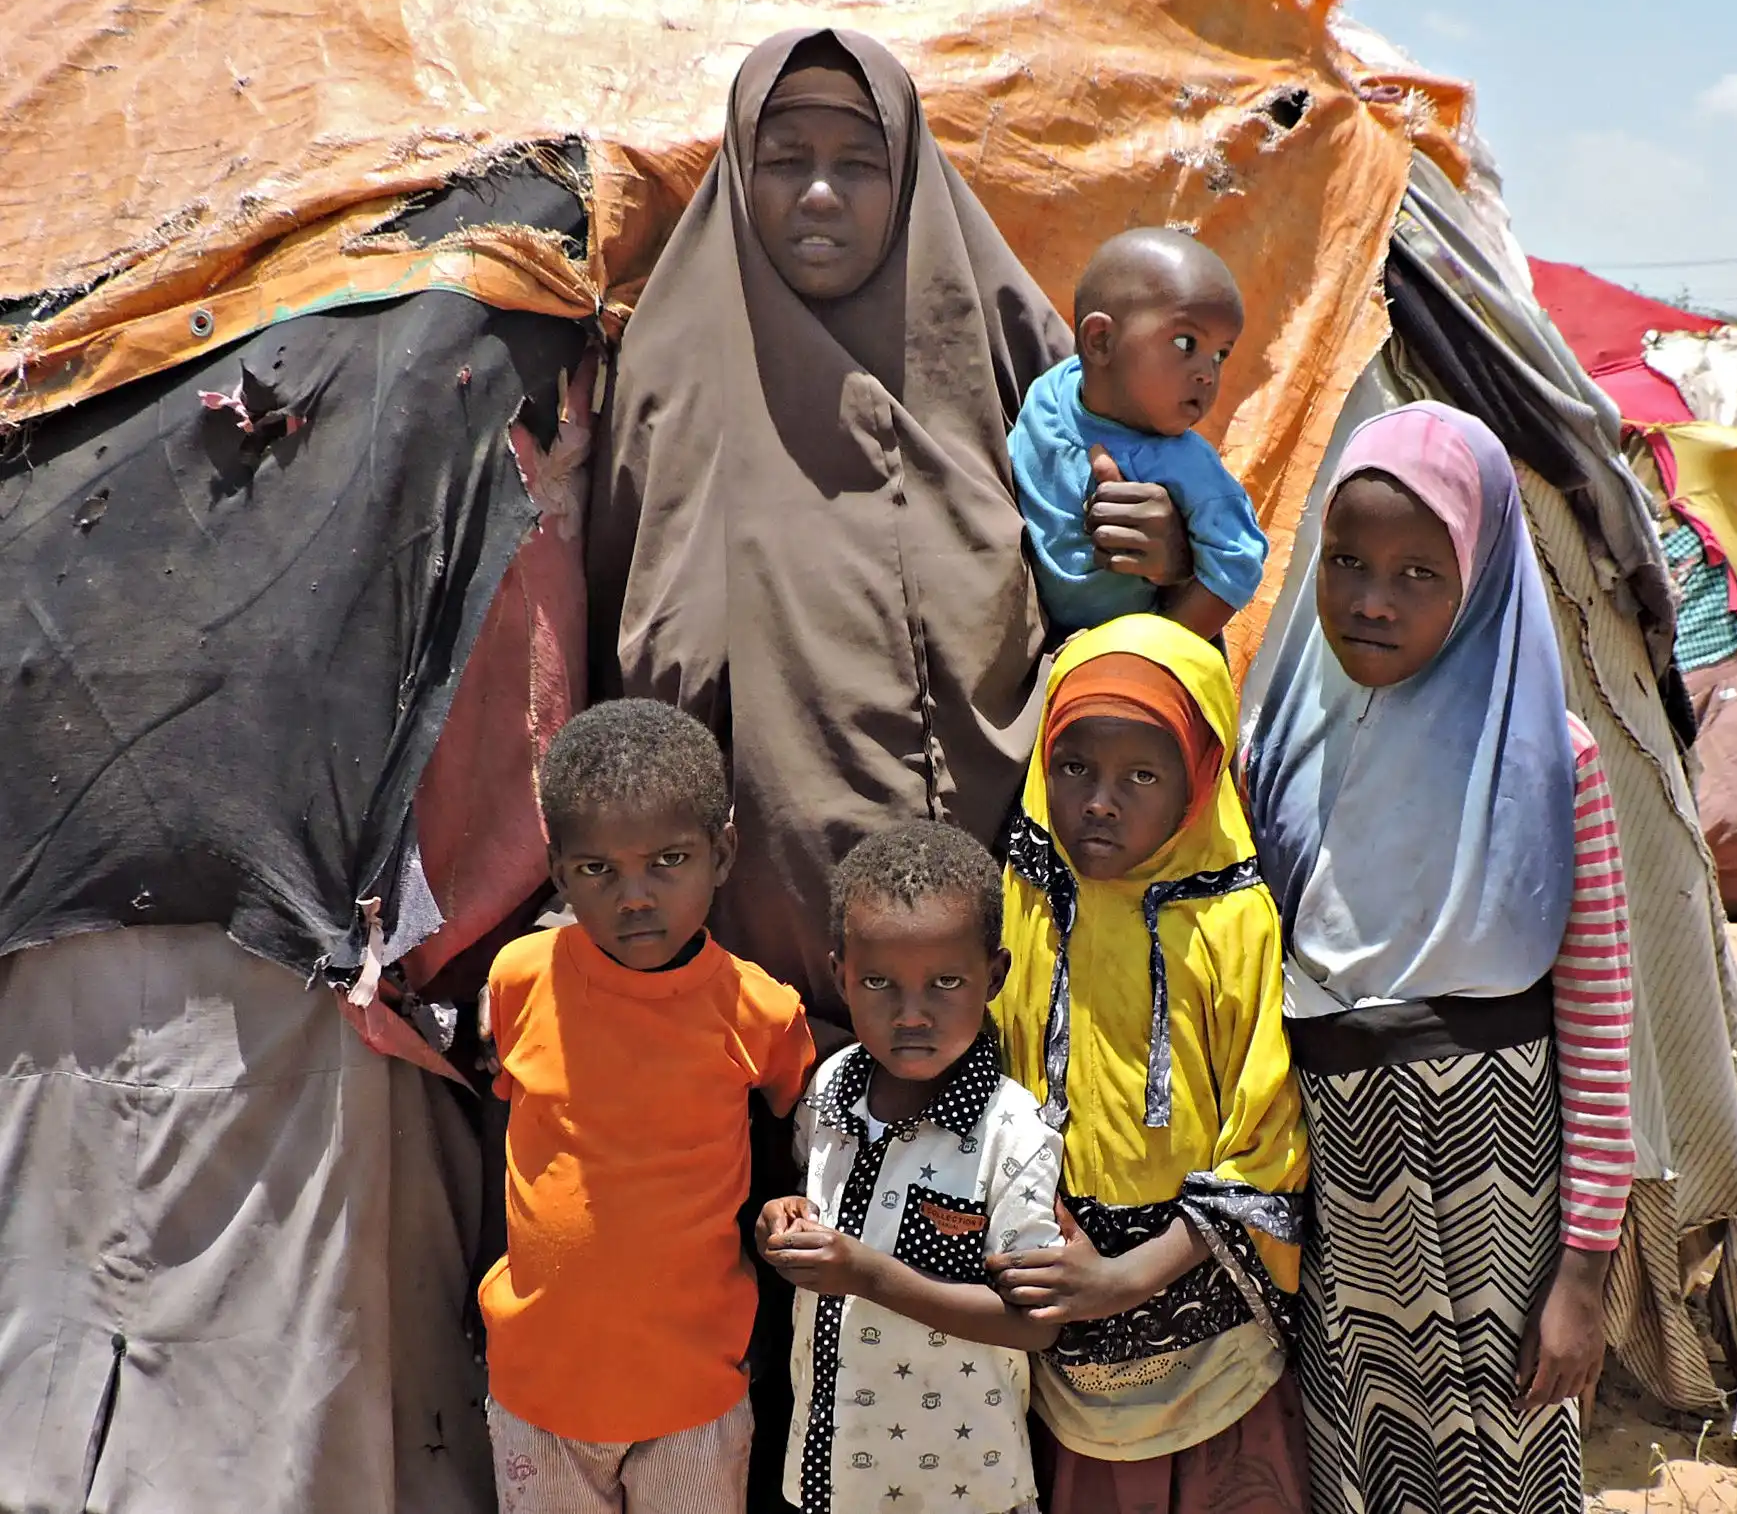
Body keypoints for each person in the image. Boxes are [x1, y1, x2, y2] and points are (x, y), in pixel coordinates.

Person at [588, 27, 1194, 1024]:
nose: (819, 196)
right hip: (754, 999)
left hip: (1012, 961)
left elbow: (1128, 590)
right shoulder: (673, 367)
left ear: (906, 177)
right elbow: (620, 642)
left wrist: (1163, 551)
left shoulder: (1008, 358)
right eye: (785, 162)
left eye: (858, 167)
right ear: (743, 171)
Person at [1244, 402, 1637, 1514]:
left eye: (1421, 572)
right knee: (1352, 1464)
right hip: (1330, 1164)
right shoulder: (1278, 742)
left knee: (1501, 1466)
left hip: (1496, 1175)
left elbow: (1604, 1030)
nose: (1373, 598)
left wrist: (1581, 1276)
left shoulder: (1553, 763)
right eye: (1348, 561)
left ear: (1483, 579)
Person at [984, 614, 1312, 1514]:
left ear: (1200, 780)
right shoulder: (1029, 891)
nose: (1099, 801)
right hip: (1057, 1278)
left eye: (1141, 774)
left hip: (1197, 1289)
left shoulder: (1230, 921)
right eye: (1076, 767)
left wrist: (1128, 1278)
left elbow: (1267, 1140)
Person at [477, 700, 818, 1514]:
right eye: (599, 870)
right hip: (539, 1392)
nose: (635, 897)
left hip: (693, 1397)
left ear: (722, 853)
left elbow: (805, 1129)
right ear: (559, 872)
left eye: (669, 860)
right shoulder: (520, 979)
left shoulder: (758, 1011)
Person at [755, 822, 1063, 1514]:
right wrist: (779, 1223)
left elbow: (1035, 1322)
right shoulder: (831, 1088)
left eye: (946, 983)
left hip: (964, 1486)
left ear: (994, 977)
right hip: (830, 1474)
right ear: (841, 976)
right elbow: (805, 1200)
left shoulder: (1009, 1132)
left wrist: (867, 1274)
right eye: (880, 984)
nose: (912, 1014)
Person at [1007, 229, 1268, 641]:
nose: (1208, 373)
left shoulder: (1185, 465)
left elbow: (1238, 562)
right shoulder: (1052, 390)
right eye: (1186, 342)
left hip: (1107, 657)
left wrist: (1147, 652)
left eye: (1221, 354)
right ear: (1100, 340)